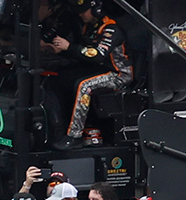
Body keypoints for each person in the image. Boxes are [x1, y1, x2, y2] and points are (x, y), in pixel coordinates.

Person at [50, 0, 132, 149]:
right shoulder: (90, 26)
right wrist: (61, 50)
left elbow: (97, 54)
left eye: (83, 10)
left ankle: (74, 136)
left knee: (84, 85)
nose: (80, 14)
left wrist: (68, 47)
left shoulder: (110, 28)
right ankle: (59, 128)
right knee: (63, 77)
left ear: (95, 9)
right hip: (99, 69)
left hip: (119, 74)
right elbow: (83, 53)